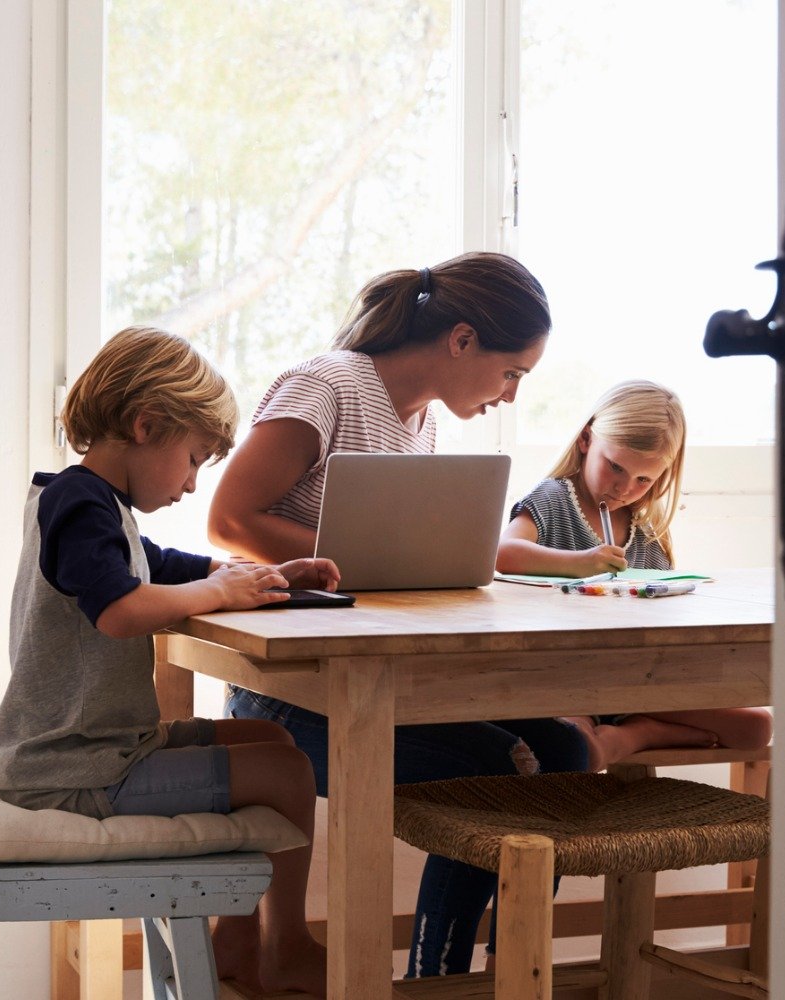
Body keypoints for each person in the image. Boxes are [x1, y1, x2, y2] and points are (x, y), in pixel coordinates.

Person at [206, 251, 586, 977]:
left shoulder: (421, 427)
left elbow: (384, 567)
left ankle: (505, 977)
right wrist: (353, 558)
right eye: (512, 372)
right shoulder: (327, 387)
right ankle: (438, 979)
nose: (509, 395)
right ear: (463, 339)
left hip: (382, 683)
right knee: (503, 767)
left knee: (566, 751)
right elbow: (228, 519)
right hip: (292, 695)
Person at [0, 327, 337, 996]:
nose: (193, 484)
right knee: (290, 770)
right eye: (195, 458)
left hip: (90, 749)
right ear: (147, 425)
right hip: (77, 769)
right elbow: (119, 608)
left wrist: (256, 574)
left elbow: (155, 564)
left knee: (273, 737)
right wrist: (216, 592)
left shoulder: (86, 503)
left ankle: (236, 942)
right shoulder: (79, 503)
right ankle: (283, 945)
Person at [496, 379, 774, 771]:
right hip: (567, 682)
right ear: (586, 439)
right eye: (616, 467)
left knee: (756, 728)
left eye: (644, 479)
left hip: (639, 682)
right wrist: (582, 562)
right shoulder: (554, 499)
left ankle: (641, 731)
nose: (625, 488)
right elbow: (502, 554)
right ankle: (640, 733)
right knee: (575, 747)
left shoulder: (645, 528)